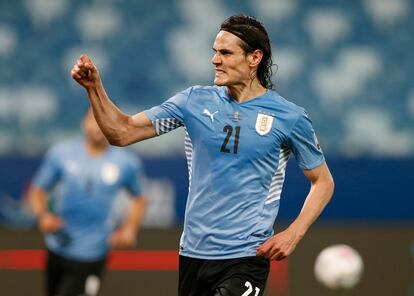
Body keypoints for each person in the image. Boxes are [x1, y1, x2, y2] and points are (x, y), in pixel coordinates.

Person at [71, 14, 334, 296]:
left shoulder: (289, 117)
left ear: (254, 58)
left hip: (246, 257)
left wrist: (294, 233)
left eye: (225, 52)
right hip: (194, 255)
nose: (215, 60)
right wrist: (94, 89)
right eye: (214, 52)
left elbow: (323, 182)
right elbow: (122, 132)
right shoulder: (193, 101)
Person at [28, 109, 147, 296]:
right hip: (57, 246)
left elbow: (140, 198)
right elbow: (37, 190)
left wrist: (129, 228)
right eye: (93, 118)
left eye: (104, 118)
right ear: (84, 122)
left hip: (92, 252)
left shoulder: (126, 162)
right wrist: (43, 216)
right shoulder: (61, 153)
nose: (98, 124)